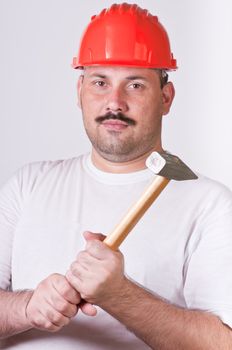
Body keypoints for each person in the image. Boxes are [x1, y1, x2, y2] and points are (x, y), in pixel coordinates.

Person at [0, 3, 232, 349]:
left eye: (135, 85)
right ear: (80, 91)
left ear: (166, 97)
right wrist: (28, 307)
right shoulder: (28, 186)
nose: (115, 103)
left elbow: (222, 344)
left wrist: (120, 295)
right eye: (100, 82)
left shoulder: (210, 204)